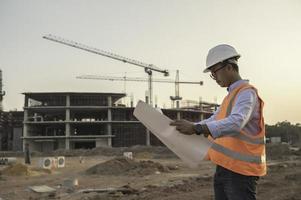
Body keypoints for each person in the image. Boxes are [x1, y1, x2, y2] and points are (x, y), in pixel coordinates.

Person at [170, 44, 266, 200]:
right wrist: (191, 126)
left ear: (229, 67)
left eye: (214, 72)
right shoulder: (230, 96)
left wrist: (197, 128)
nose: (214, 77)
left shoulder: (246, 93)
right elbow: (214, 119)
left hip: (241, 171)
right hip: (225, 167)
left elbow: (236, 122)